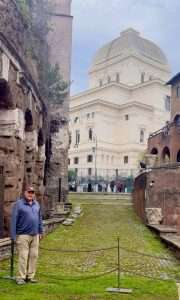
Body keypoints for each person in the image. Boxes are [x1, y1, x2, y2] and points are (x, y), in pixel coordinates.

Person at [11, 186, 43, 285]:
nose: (30, 194)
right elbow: (14, 220)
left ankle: (30, 276)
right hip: (23, 235)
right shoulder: (18, 204)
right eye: (29, 192)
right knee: (23, 256)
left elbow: (39, 218)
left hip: (35, 235)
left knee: (34, 256)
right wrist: (13, 235)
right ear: (25, 193)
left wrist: (41, 231)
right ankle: (20, 277)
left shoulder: (36, 204)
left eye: (32, 192)